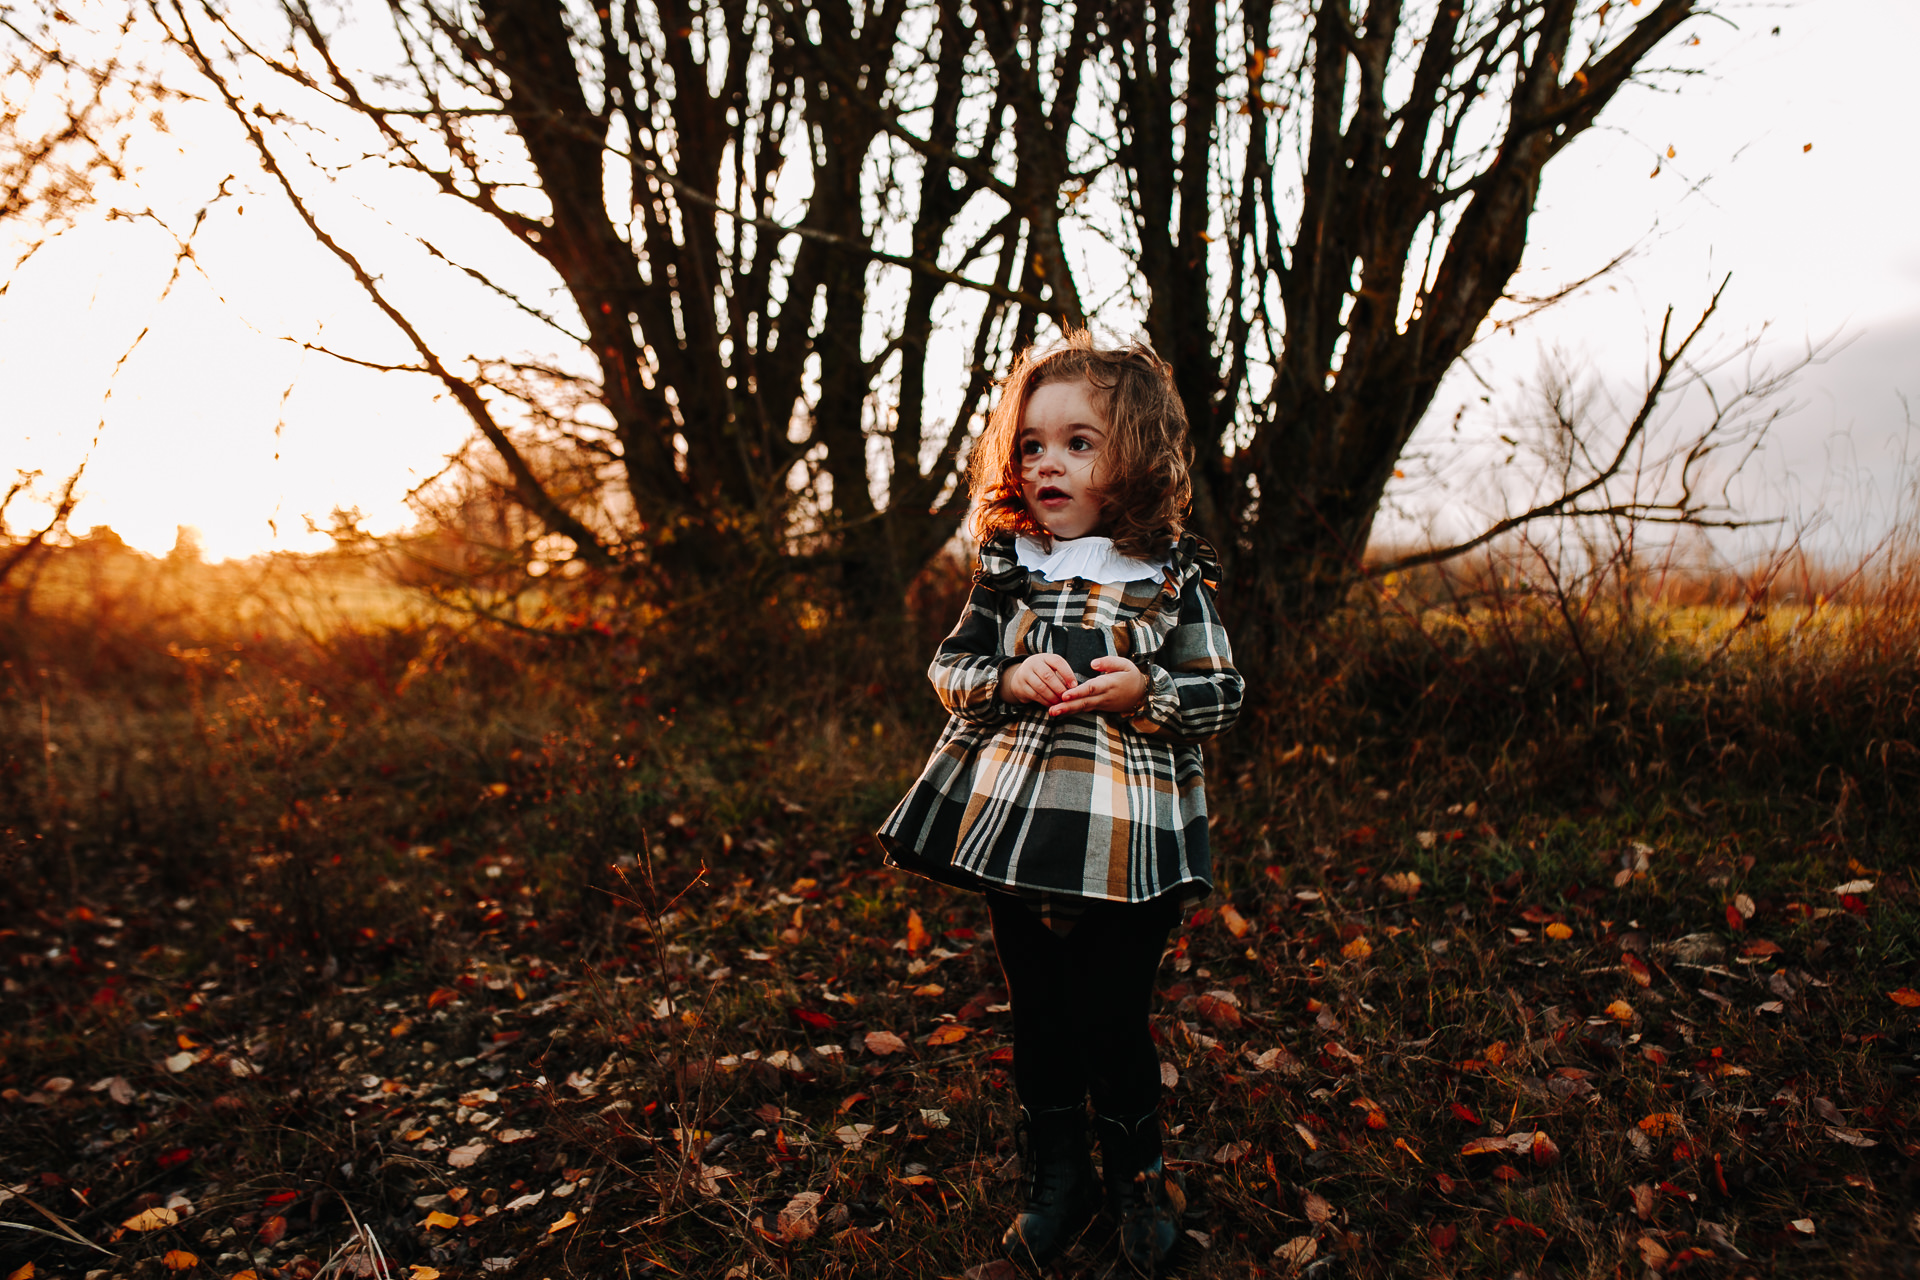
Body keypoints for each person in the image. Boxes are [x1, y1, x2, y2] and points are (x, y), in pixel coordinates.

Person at [878, 334, 1244, 1277]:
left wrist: (1146, 688)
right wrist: (1006, 674)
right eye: (1034, 444)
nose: (1049, 462)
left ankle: (1137, 1178)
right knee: (1038, 1009)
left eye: (1079, 443)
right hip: (1017, 836)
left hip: (1131, 842)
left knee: (1113, 1016)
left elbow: (1221, 692)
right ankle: (1058, 1177)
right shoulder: (1010, 569)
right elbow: (948, 670)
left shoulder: (1172, 576)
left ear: (1136, 455)